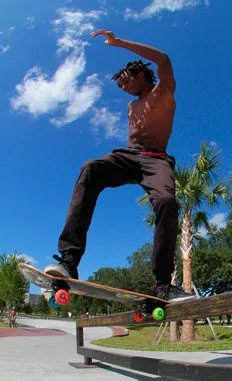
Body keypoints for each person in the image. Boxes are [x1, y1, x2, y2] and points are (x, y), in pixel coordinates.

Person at [44, 30, 194, 303]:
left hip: (155, 159)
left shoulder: (164, 91)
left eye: (125, 80)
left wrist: (120, 43)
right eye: (120, 84)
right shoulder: (130, 106)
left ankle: (163, 285)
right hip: (128, 156)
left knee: (166, 201)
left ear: (140, 74)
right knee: (90, 168)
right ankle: (68, 260)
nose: (122, 86)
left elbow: (163, 59)